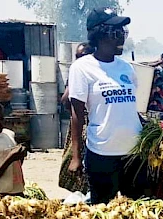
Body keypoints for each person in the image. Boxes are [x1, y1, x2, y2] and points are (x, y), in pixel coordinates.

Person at [67, 8, 146, 205]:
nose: (121, 37)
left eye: (123, 32)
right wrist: (76, 156)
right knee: (103, 214)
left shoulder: (126, 68)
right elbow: (76, 115)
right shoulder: (82, 68)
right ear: (99, 34)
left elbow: (129, 108)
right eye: (116, 32)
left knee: (136, 214)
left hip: (133, 154)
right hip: (102, 154)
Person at [60, 43, 94, 196]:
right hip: (77, 125)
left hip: (88, 125)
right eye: (77, 57)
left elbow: (66, 100)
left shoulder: (92, 73)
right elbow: (66, 102)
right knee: (74, 163)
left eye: (83, 56)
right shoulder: (75, 73)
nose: (79, 60)